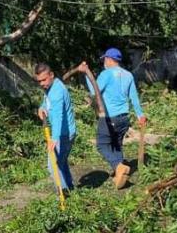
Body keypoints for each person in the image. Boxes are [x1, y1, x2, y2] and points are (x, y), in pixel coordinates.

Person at [79, 48, 146, 189]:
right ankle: (120, 176)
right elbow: (134, 96)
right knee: (116, 145)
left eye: (105, 59)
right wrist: (140, 115)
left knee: (102, 144)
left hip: (110, 118)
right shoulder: (128, 75)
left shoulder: (106, 74)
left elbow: (93, 91)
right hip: (124, 118)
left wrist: (86, 73)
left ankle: (119, 166)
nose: (104, 61)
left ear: (109, 59)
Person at [35, 63, 76, 192]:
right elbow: (47, 102)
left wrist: (54, 138)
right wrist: (42, 107)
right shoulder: (51, 87)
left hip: (63, 134)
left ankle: (63, 191)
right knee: (61, 162)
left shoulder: (57, 91)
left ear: (51, 75)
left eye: (44, 80)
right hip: (64, 133)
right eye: (39, 81)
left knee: (52, 165)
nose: (42, 83)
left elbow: (58, 116)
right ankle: (69, 187)